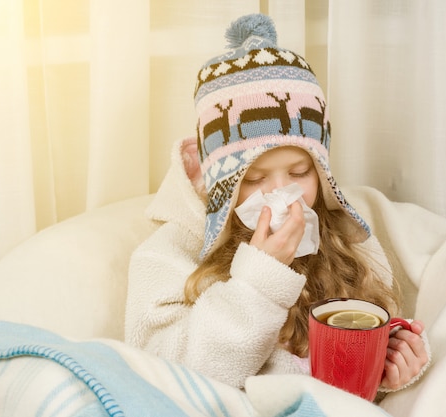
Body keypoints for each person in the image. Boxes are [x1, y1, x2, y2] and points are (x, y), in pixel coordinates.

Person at [124, 13, 430, 397]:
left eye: (300, 171)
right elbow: (169, 378)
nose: (281, 193)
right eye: (253, 179)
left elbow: (353, 363)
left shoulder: (341, 240)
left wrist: (390, 363)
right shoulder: (169, 252)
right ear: (222, 180)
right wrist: (259, 279)